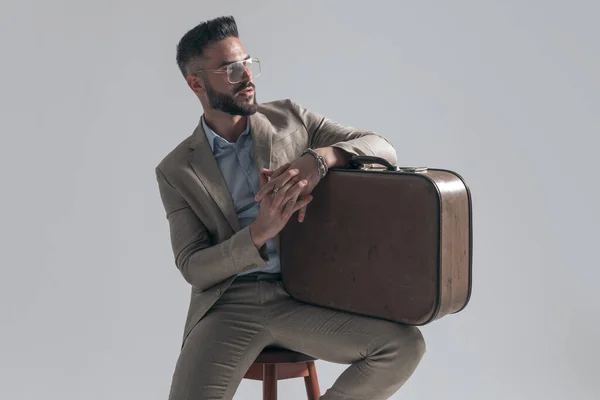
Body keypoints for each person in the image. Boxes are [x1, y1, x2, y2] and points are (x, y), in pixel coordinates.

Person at [155, 15, 426, 400]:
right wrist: (258, 233)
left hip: (302, 296)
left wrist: (320, 158)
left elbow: (383, 148)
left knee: (404, 346)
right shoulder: (177, 169)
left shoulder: (291, 120)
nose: (247, 76)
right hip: (228, 306)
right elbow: (193, 267)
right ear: (196, 82)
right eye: (231, 70)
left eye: (247, 63)